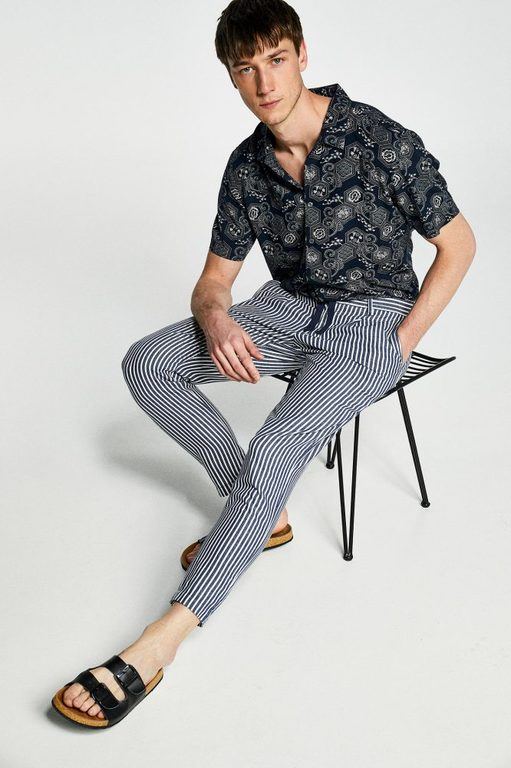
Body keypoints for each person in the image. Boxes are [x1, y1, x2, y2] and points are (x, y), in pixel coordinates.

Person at [51, 0, 476, 728]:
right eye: (245, 68)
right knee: (148, 363)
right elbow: (213, 281)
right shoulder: (246, 167)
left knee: (277, 447)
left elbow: (459, 244)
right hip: (284, 308)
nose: (264, 82)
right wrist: (216, 315)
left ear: (302, 55)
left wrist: (402, 340)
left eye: (275, 60)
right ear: (231, 76)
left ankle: (160, 641)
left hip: (371, 321)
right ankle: (261, 508)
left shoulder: (378, 137)